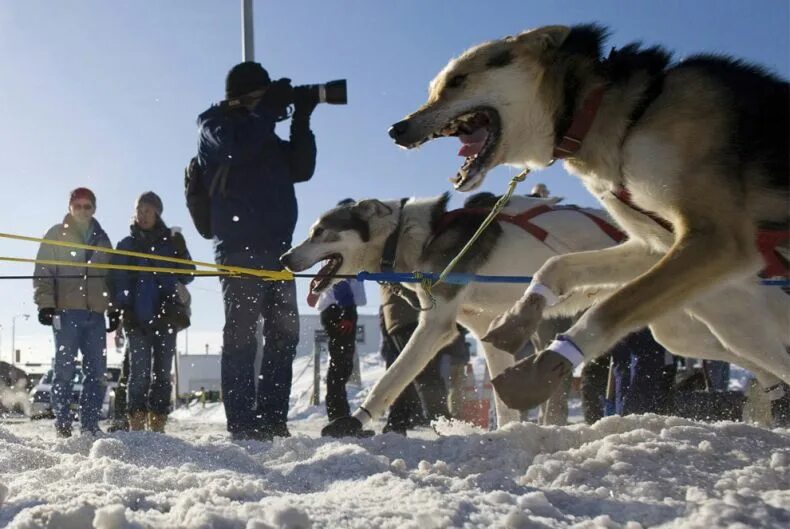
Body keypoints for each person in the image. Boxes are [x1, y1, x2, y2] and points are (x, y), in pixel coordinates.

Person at [193, 61, 318, 441]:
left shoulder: (266, 135)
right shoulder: (214, 124)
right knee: (243, 337)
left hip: (279, 249)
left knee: (284, 334)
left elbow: (302, 167)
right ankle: (244, 423)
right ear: (243, 97)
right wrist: (266, 110)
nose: (273, 106)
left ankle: (272, 418)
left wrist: (301, 120)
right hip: (239, 248)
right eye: (264, 97)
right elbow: (234, 150)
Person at [33, 187, 117, 437]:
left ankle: (90, 424)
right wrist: (45, 303)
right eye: (77, 205)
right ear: (70, 207)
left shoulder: (103, 240)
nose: (82, 210)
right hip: (66, 313)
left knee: (97, 372)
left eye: (87, 206)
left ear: (94, 209)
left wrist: (112, 309)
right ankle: (63, 424)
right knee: (64, 370)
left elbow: (111, 278)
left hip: (95, 315)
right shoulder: (56, 234)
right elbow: (43, 271)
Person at [109, 192, 195, 432]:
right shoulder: (126, 245)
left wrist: (182, 251)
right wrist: (123, 309)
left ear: (158, 213)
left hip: (167, 318)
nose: (142, 215)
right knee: (138, 374)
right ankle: (136, 423)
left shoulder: (172, 243)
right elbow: (119, 280)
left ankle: (157, 424)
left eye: (148, 210)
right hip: (137, 319)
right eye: (139, 210)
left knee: (162, 375)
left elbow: (187, 276)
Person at [379, 285, 450, 434]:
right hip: (409, 315)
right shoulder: (395, 262)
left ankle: (396, 423)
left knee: (406, 373)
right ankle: (443, 424)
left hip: (400, 314)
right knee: (424, 371)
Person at [314, 221, 367, 419]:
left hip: (340, 308)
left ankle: (339, 413)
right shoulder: (342, 249)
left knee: (342, 363)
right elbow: (340, 280)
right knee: (340, 363)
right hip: (340, 309)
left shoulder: (341, 248)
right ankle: (338, 416)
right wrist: (347, 313)